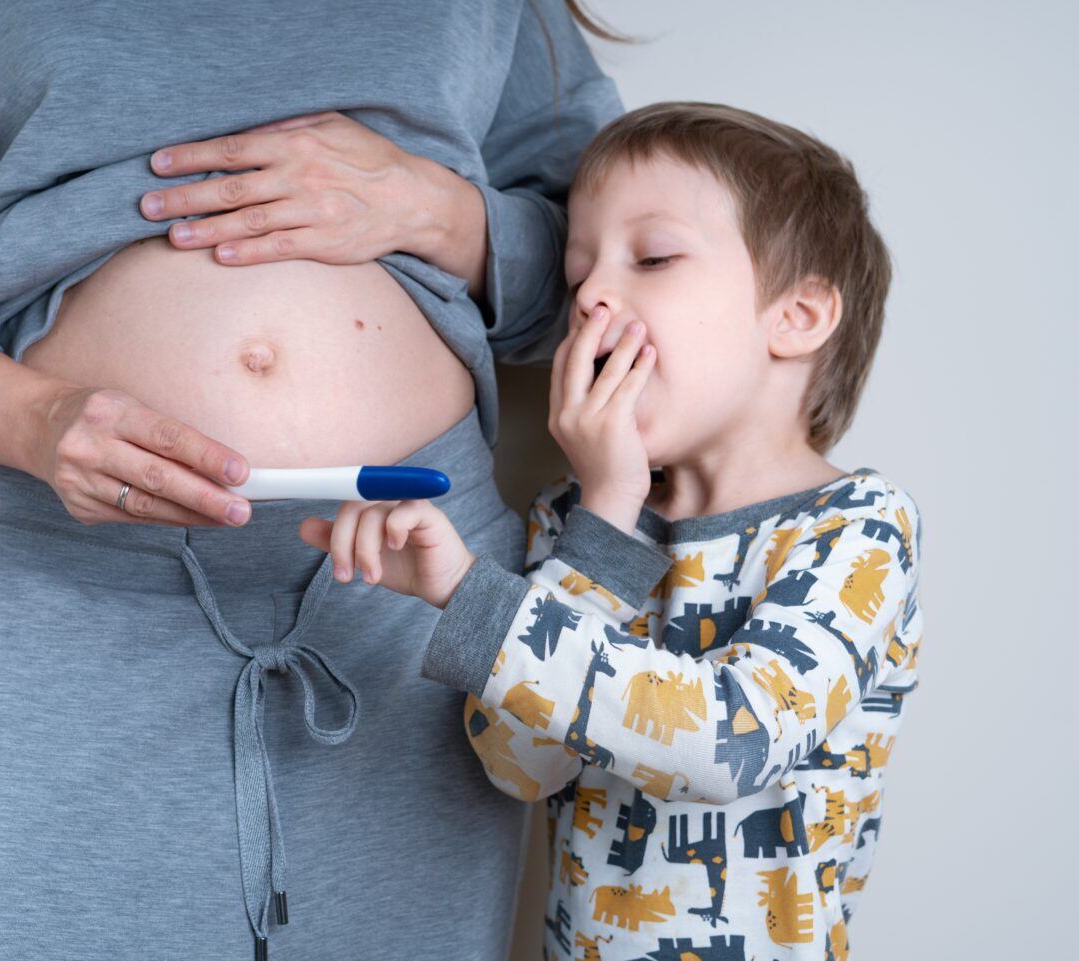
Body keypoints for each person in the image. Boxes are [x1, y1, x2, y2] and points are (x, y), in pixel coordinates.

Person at [0, 1, 627, 958]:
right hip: (67, 603)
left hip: (407, 613)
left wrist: (436, 209)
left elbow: (611, 276)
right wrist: (26, 418)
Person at [305, 102, 925, 960]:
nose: (592, 295)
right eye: (577, 272)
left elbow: (733, 748)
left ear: (800, 316)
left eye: (655, 258)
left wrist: (481, 601)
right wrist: (602, 515)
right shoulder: (580, 513)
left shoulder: (857, 529)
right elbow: (519, 765)